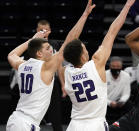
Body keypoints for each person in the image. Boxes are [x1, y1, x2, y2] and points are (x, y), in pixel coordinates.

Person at [6, 0, 95, 130]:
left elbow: (11, 55)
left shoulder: (23, 65)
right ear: (39, 53)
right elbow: (70, 40)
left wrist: (33, 39)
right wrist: (85, 15)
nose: (51, 50)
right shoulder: (44, 68)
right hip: (26, 124)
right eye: (47, 49)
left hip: (16, 119)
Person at [61, 0, 135, 130]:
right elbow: (112, 32)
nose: (87, 50)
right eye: (84, 48)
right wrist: (127, 6)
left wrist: (85, 15)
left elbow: (68, 44)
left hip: (74, 125)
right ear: (82, 55)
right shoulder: (96, 64)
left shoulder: (66, 71)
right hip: (95, 125)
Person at [36, 19, 64, 131]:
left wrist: (63, 84)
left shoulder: (54, 44)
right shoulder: (32, 44)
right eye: (41, 30)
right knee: (36, 109)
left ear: (50, 30)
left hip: (52, 80)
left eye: (46, 30)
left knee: (56, 110)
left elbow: (59, 66)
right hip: (38, 81)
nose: (44, 32)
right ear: (37, 30)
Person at [106, 56, 131, 124]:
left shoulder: (126, 76)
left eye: (118, 66)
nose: (116, 68)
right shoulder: (104, 75)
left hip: (120, 103)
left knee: (130, 105)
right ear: (110, 66)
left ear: (121, 66)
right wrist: (109, 103)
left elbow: (126, 93)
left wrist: (122, 101)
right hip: (106, 103)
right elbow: (101, 95)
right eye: (113, 66)